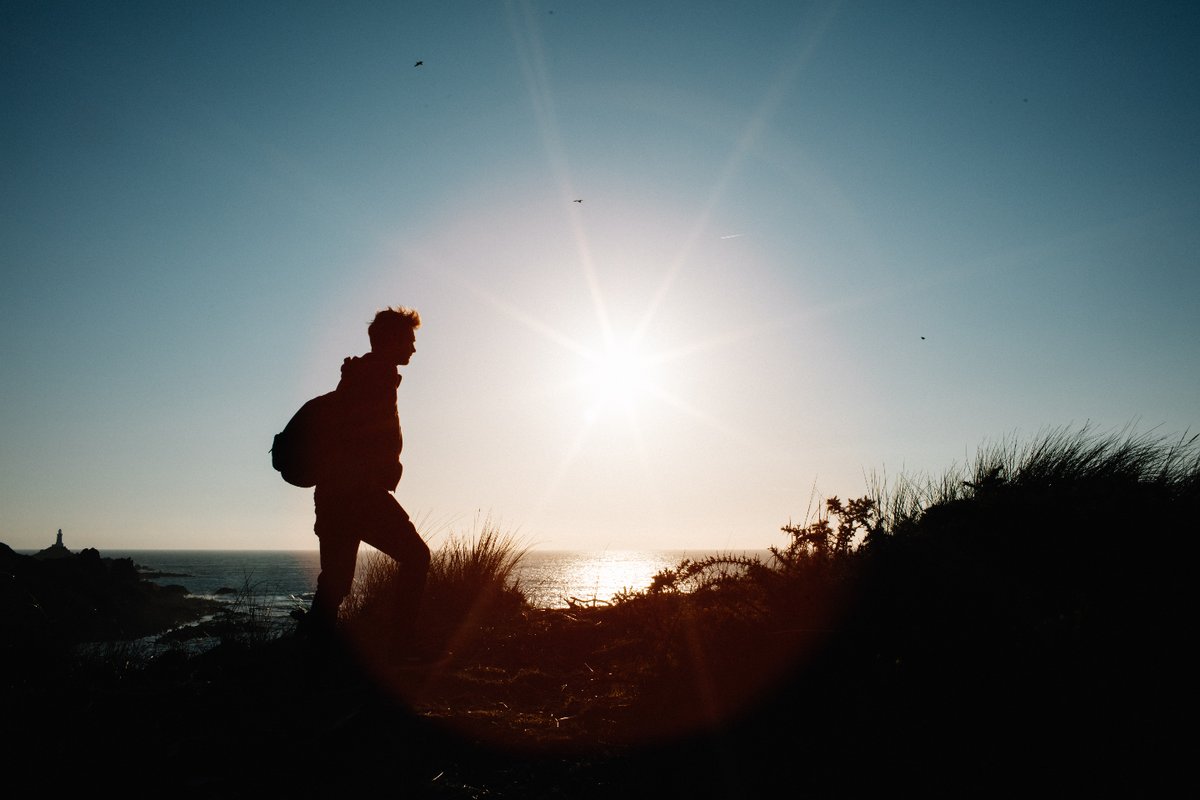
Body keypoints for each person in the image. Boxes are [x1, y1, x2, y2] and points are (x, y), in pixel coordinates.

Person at [302, 306, 431, 647]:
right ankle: (401, 645)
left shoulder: (361, 376)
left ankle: (310, 655)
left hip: (335, 494)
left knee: (336, 582)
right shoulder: (375, 378)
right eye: (409, 340)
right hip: (357, 494)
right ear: (390, 340)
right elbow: (361, 440)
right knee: (417, 558)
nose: (414, 348)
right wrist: (377, 472)